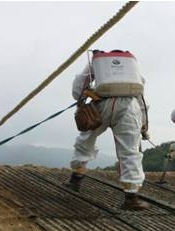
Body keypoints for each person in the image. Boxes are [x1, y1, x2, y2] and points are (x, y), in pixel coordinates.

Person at [64, 49, 150, 210]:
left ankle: (75, 179)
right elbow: (141, 95)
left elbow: (78, 87)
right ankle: (132, 197)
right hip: (130, 108)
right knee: (130, 150)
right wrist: (144, 123)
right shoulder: (131, 67)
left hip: (101, 105)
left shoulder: (96, 62)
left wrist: (82, 98)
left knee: (86, 141)